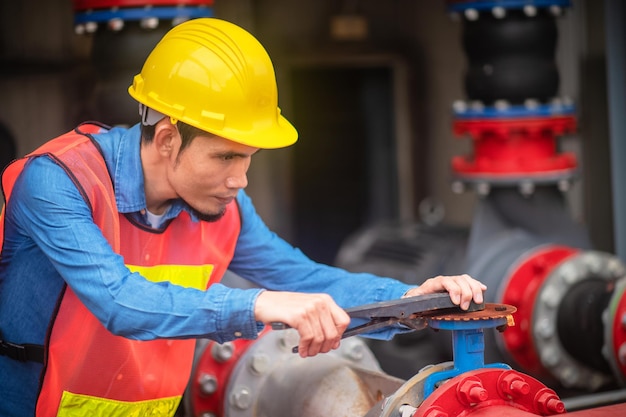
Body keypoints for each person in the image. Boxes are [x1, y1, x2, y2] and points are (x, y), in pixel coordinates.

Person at [0, 17, 486, 417]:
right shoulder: (57, 184)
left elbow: (303, 279)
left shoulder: (221, 207)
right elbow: (119, 301)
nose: (241, 180)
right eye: (226, 158)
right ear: (168, 138)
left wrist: (408, 300)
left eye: (249, 158)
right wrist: (255, 306)